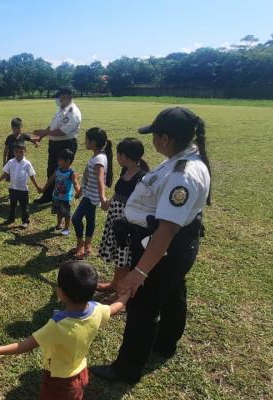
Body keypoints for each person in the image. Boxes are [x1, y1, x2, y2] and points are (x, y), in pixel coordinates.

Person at [90, 107, 211, 384]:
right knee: (172, 292)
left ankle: (126, 368)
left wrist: (140, 272)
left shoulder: (184, 173)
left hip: (162, 247)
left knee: (142, 306)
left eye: (154, 136)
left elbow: (166, 228)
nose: (152, 142)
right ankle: (165, 343)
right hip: (169, 246)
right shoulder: (180, 159)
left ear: (166, 138)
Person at [0, 260, 128, 400]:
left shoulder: (58, 326)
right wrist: (125, 295)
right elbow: (115, 307)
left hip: (60, 379)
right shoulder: (98, 309)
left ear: (60, 292)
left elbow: (24, 346)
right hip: (80, 368)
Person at [97, 138, 149, 295]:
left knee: (124, 256)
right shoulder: (125, 170)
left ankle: (122, 293)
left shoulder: (142, 177)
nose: (117, 158)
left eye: (118, 154)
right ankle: (115, 283)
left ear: (124, 156)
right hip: (116, 217)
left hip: (128, 222)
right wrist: (109, 202)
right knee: (118, 255)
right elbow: (120, 192)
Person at [33, 87, 82, 204]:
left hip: (65, 144)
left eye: (60, 97)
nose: (58, 99)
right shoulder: (62, 109)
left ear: (67, 97)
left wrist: (44, 132)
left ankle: (61, 196)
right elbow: (53, 126)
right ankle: (49, 195)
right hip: (55, 144)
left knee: (61, 171)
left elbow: (62, 131)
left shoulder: (73, 112)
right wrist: (41, 136)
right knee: (51, 169)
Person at [71, 128, 113, 259]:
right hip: (89, 194)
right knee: (90, 219)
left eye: (86, 139)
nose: (85, 142)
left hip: (92, 197)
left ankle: (81, 245)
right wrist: (80, 192)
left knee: (76, 218)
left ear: (93, 142)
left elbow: (100, 179)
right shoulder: (99, 156)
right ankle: (88, 245)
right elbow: (89, 178)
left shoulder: (99, 159)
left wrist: (103, 198)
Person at [0, 141, 41, 227]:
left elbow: (32, 176)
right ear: (13, 152)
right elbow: (5, 174)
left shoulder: (27, 164)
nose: (19, 154)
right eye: (17, 152)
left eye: (21, 152)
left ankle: (25, 221)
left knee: (24, 206)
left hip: (23, 190)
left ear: (25, 151)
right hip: (13, 188)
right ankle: (11, 218)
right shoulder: (10, 162)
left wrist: (37, 187)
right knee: (12, 205)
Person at [41, 148, 80, 236]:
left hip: (66, 198)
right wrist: (44, 188)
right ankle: (59, 224)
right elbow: (51, 179)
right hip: (56, 196)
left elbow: (75, 183)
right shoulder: (58, 169)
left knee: (66, 214)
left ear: (67, 161)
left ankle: (66, 228)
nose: (58, 161)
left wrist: (78, 192)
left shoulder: (71, 173)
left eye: (60, 160)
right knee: (58, 212)